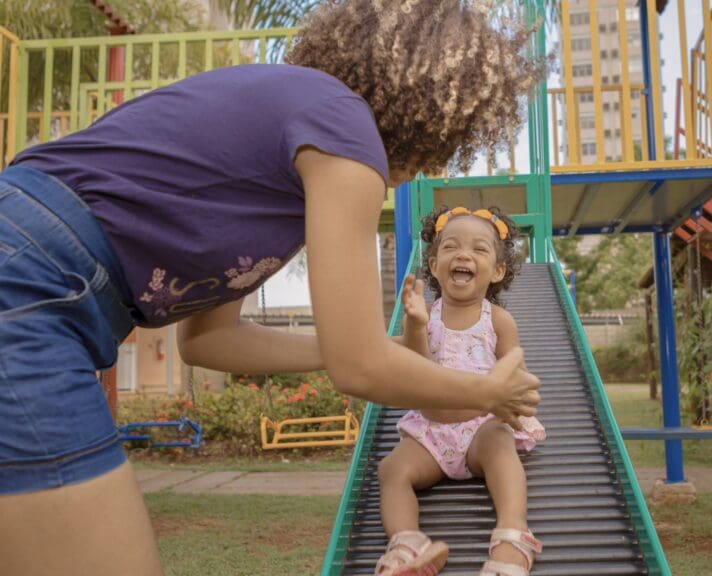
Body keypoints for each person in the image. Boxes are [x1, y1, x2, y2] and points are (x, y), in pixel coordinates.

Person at [0, 1, 544, 574]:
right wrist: (484, 393)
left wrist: (349, 348)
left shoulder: (282, 146)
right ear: (434, 114)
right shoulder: (344, 129)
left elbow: (211, 342)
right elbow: (358, 369)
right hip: (34, 284)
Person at [376, 206, 545, 576]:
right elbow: (417, 373)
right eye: (451, 247)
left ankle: (513, 538)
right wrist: (416, 327)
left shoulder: (497, 320)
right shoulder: (425, 314)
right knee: (391, 470)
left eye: (479, 250)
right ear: (435, 265)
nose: (464, 255)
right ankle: (407, 543)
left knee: (501, 444)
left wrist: (514, 405)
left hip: (480, 429)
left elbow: (516, 373)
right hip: (431, 434)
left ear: (498, 271)